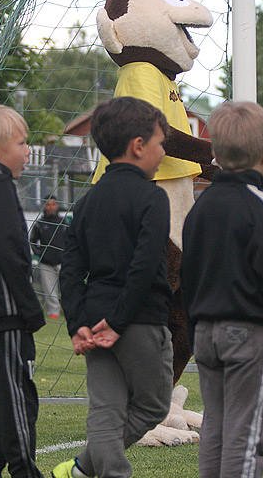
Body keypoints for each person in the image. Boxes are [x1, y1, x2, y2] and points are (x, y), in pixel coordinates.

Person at [180, 100, 263, 478]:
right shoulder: (261, 204)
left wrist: (194, 333)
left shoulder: (199, 207)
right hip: (247, 335)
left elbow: (189, 276)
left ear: (215, 152)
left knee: (216, 430)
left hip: (205, 334)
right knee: (246, 435)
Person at [52, 96, 174, 478]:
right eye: (160, 142)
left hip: (93, 320)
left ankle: (83, 469)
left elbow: (69, 269)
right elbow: (144, 267)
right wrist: (120, 321)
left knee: (105, 410)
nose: (163, 150)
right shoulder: (153, 197)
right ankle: (98, 468)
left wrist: (78, 324)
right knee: (153, 406)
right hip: (138, 320)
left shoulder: (87, 203)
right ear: (138, 146)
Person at [0, 103, 45, 478]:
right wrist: (29, 310)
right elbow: (11, 252)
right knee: (16, 403)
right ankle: (25, 471)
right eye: (21, 142)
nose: (28, 149)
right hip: (2, 320)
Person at [30, 195, 68, 319]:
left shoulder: (64, 222)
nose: (51, 207)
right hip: (46, 262)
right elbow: (33, 241)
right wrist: (40, 253)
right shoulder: (40, 224)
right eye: (48, 204)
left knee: (67, 287)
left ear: (57, 206)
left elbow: (71, 240)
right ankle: (54, 312)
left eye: (53, 204)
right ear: (44, 206)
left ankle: (68, 310)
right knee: (49, 290)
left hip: (63, 261)